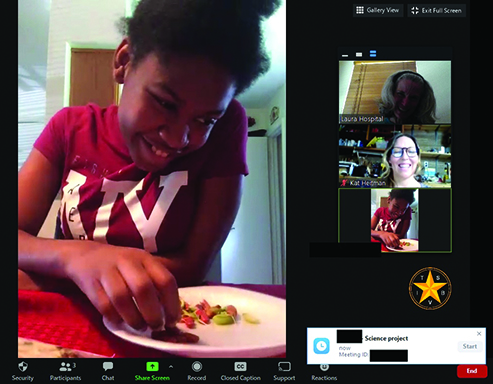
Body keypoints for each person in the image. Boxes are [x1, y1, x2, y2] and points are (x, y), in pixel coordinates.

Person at [18, 0, 281, 333]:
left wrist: (57, 269)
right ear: (124, 61)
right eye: (165, 103)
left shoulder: (226, 128)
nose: (178, 137)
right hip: (73, 327)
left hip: (165, 331)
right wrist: (77, 257)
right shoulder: (70, 128)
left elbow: (192, 266)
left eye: (204, 120)